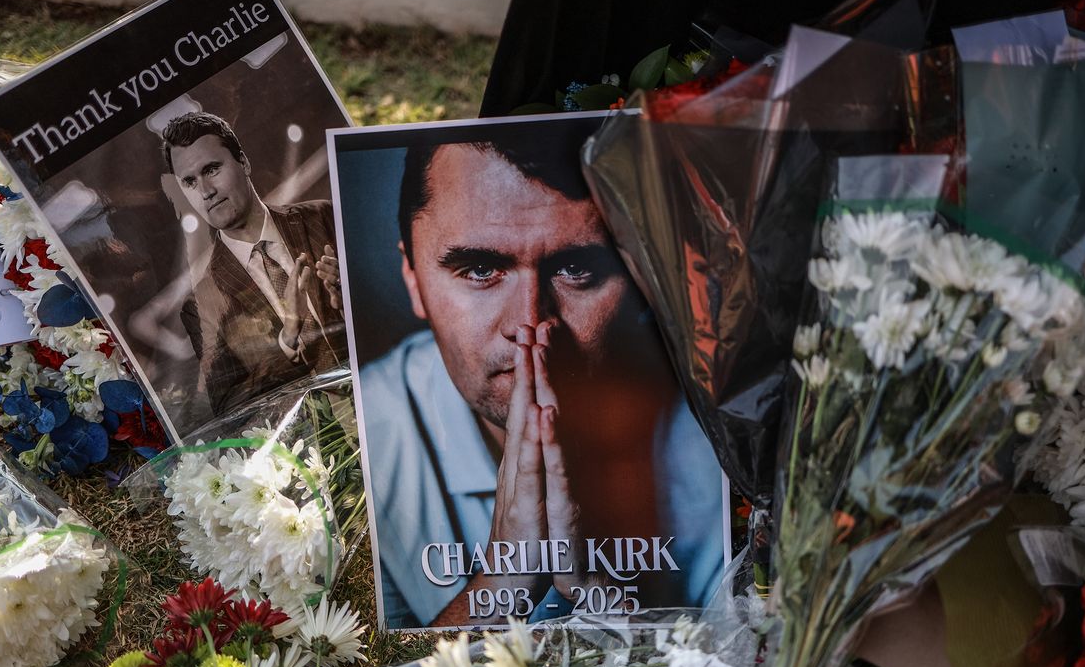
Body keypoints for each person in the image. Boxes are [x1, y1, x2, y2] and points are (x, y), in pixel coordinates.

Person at [358, 131, 726, 628]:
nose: (528, 323)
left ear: (643, 276)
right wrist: (502, 584)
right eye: (481, 268)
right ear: (412, 277)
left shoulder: (718, 424)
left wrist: (596, 592)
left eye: (577, 268)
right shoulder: (357, 443)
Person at [163, 112, 346, 416]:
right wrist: (286, 340)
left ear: (243, 163)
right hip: (322, 449)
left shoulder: (324, 217)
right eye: (190, 182)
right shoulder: (202, 304)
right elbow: (230, 408)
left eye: (212, 169)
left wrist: (354, 293)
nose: (205, 191)